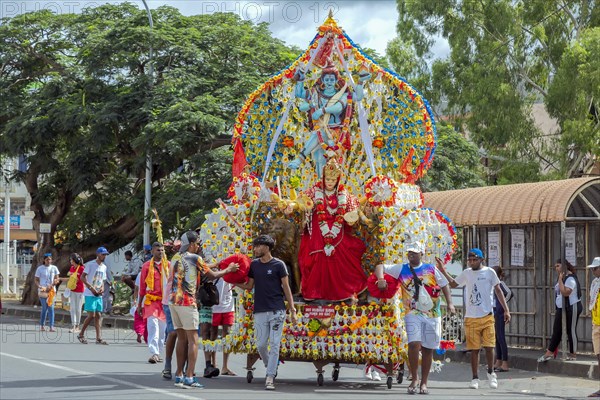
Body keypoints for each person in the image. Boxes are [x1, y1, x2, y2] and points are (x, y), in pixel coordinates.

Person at [374, 243, 454, 395]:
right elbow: (380, 266)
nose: (411, 255)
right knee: (413, 344)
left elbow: (444, 285)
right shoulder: (401, 268)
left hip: (432, 314)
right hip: (412, 313)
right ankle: (414, 379)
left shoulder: (431, 269)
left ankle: (424, 382)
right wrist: (381, 278)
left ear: (421, 254)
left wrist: (450, 303)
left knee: (428, 349)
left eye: (414, 252)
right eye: (409, 252)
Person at [168, 230, 239, 389]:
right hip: (187, 302)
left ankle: (179, 374)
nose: (199, 246)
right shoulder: (195, 258)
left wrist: (218, 263)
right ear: (192, 244)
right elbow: (213, 275)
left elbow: (203, 268)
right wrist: (229, 270)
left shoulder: (176, 257)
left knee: (181, 338)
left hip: (174, 301)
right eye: (197, 243)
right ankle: (190, 377)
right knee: (193, 340)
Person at [436, 248, 511, 390]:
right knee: (474, 350)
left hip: (487, 316)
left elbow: (498, 291)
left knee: (490, 347)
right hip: (470, 318)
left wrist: (506, 310)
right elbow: (453, 284)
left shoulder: (490, 272)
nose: (471, 262)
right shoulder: (467, 273)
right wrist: (443, 270)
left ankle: (491, 373)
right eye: (469, 260)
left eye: (474, 259)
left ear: (481, 259)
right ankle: (475, 378)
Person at [296, 157, 367, 301]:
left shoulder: (344, 194)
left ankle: (346, 290)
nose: (329, 183)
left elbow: (353, 208)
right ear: (323, 178)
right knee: (317, 256)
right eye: (327, 180)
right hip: (318, 229)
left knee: (344, 255)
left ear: (337, 180)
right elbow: (302, 202)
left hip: (337, 228)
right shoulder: (314, 190)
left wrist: (353, 216)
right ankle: (316, 292)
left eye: (332, 180)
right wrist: (294, 205)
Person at [236, 234, 297, 391]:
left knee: (275, 344)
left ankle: (270, 377)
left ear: (267, 247)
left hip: (277, 310)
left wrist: (293, 310)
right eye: (255, 246)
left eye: (258, 246)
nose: (255, 249)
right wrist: (232, 280)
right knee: (261, 344)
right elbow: (249, 286)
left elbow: (286, 287)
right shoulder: (254, 265)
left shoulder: (279, 265)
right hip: (260, 311)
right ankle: (269, 364)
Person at [288, 61, 369, 176]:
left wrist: (361, 82)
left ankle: (336, 189)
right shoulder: (316, 93)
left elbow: (343, 104)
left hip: (337, 133)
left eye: (332, 79)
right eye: (327, 79)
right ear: (322, 80)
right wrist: (300, 80)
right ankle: (318, 186)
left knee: (336, 164)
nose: (329, 82)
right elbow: (300, 95)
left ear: (336, 80)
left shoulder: (343, 94)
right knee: (320, 161)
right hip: (321, 131)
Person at [537, 259, 582, 362]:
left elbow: (565, 292)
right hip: (562, 308)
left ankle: (573, 354)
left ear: (564, 266)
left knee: (571, 330)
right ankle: (549, 352)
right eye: (555, 266)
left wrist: (560, 280)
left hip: (572, 306)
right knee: (557, 330)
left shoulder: (570, 279)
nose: (556, 268)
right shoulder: (563, 277)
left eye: (558, 266)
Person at [138, 242, 168, 364]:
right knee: (152, 326)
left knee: (162, 329)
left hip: (164, 302)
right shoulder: (146, 266)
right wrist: (139, 304)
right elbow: (142, 287)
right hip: (151, 301)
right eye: (157, 250)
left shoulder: (168, 266)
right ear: (152, 252)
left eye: (162, 250)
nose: (160, 252)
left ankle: (158, 352)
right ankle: (154, 352)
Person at [78, 247, 110, 345]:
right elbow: (82, 277)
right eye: (103, 254)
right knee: (91, 315)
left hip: (98, 294)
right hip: (89, 293)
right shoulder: (91, 265)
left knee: (99, 315)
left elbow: (103, 280)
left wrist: (102, 289)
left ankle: (98, 338)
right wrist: (90, 287)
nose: (104, 256)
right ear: (98, 254)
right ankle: (81, 334)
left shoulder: (104, 267)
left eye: (105, 255)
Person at [211, 278, 237, 376]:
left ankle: (225, 367)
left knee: (227, 335)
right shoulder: (211, 263)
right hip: (214, 304)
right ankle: (213, 364)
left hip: (228, 305)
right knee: (213, 334)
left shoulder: (231, 264)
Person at [492, 266, 512, 372]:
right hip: (494, 312)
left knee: (501, 337)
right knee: (496, 337)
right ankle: (498, 361)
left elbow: (509, 293)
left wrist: (503, 305)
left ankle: (505, 363)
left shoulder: (500, 283)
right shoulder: (491, 284)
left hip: (500, 312)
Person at [34, 253, 60, 332]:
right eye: (47, 259)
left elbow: (57, 279)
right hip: (43, 291)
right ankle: (42, 325)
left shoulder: (54, 268)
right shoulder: (40, 269)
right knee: (44, 308)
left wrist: (53, 284)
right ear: (44, 260)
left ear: (51, 260)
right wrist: (40, 286)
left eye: (50, 259)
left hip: (51, 291)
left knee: (51, 308)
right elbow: (36, 280)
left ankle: (51, 326)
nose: (48, 261)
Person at [587, 257, 600, 398]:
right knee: (598, 356)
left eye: (595, 268)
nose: (593, 271)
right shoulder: (594, 283)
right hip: (596, 323)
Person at [66, 253, 86, 333]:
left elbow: (85, 279)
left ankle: (77, 326)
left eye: (71, 259)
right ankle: (73, 325)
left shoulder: (82, 268)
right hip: (72, 290)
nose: (70, 261)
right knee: (72, 308)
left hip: (80, 291)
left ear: (74, 260)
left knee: (78, 309)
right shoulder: (71, 268)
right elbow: (70, 279)